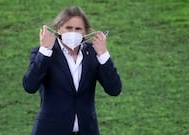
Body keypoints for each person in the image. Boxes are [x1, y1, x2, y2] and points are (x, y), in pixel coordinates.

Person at [22, 6, 122, 135]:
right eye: (68, 28)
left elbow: (114, 89)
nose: (73, 32)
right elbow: (30, 86)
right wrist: (45, 51)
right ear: (58, 29)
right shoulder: (44, 53)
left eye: (78, 29)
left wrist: (103, 54)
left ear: (85, 32)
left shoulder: (92, 54)